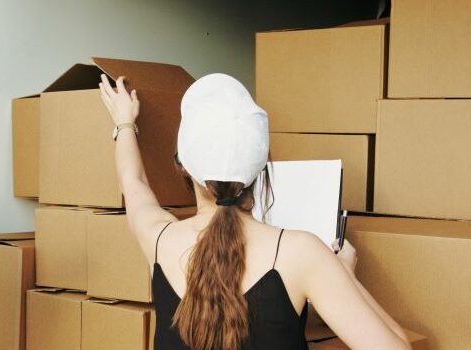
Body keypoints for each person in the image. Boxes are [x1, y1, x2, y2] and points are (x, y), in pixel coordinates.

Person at [99, 73, 411, 350]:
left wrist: (124, 123)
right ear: (261, 167)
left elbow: (134, 182)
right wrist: (341, 273)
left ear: (183, 167)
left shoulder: (159, 238)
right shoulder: (303, 253)